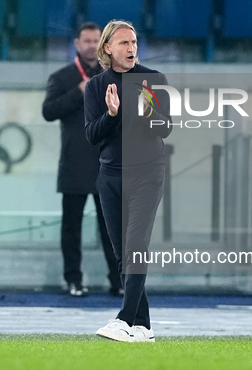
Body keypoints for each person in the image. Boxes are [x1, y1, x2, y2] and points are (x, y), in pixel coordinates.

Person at [84, 20, 172, 342]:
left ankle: (123, 319)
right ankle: (143, 326)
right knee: (123, 254)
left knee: (136, 247)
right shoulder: (96, 87)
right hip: (109, 176)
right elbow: (92, 136)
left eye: (134, 42)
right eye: (124, 43)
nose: (131, 48)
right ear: (108, 48)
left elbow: (165, 128)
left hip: (147, 173)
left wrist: (148, 111)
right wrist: (111, 114)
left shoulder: (154, 80)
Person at [42, 22, 122, 297]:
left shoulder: (115, 76)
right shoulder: (62, 77)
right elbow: (48, 111)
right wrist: (79, 91)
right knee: (71, 229)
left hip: (107, 164)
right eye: (86, 40)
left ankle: (118, 280)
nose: (91, 45)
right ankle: (73, 279)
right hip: (74, 164)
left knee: (112, 229)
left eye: (96, 40)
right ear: (76, 44)